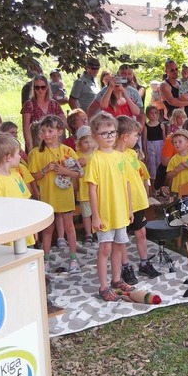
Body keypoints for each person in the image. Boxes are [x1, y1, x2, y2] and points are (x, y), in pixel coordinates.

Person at [85, 112, 134, 301]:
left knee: (119, 247)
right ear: (95, 136)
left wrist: (129, 209)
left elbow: (127, 184)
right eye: (104, 133)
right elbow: (91, 189)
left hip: (121, 211)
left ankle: (116, 280)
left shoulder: (120, 157)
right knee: (105, 249)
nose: (110, 136)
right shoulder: (95, 159)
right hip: (105, 213)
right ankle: (103, 287)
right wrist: (95, 216)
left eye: (112, 132)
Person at [28, 115, 82, 272]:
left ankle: (73, 259)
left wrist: (65, 171)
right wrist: (46, 170)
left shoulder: (67, 151)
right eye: (43, 131)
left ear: (59, 132)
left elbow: (79, 173)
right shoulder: (36, 153)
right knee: (48, 230)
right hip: (48, 197)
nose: (46, 134)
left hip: (64, 196)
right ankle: (45, 260)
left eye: (50, 131)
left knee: (69, 228)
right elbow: (34, 176)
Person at [115, 116, 162, 284]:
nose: (138, 138)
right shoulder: (113, 156)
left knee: (141, 232)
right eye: (136, 135)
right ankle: (125, 266)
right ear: (125, 136)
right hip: (121, 203)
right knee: (122, 237)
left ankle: (144, 262)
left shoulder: (132, 154)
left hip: (138, 201)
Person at [0, 133, 35, 247]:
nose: (20, 156)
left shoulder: (17, 176)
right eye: (18, 153)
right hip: (5, 232)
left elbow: (27, 199)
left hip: (22, 228)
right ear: (9, 157)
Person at [21, 75, 67, 153]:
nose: (40, 90)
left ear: (47, 87)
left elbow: (64, 123)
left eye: (43, 87)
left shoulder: (54, 104)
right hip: (36, 145)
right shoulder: (29, 105)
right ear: (33, 88)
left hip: (53, 144)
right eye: (37, 87)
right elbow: (26, 129)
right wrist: (30, 148)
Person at [75, 125, 97, 247]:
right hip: (84, 190)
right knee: (86, 214)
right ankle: (88, 233)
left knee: (97, 211)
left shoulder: (97, 154)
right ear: (80, 143)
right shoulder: (77, 155)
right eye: (85, 142)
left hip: (97, 189)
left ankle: (98, 231)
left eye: (91, 141)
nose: (89, 144)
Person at [142, 105, 166, 193]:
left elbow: (164, 139)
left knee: (159, 168)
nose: (154, 115)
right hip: (151, 148)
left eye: (156, 113)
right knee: (152, 168)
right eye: (151, 113)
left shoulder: (161, 126)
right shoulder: (146, 127)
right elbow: (144, 140)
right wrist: (145, 152)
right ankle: (152, 189)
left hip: (160, 148)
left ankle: (159, 188)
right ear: (147, 115)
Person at [166, 129, 188, 196]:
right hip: (176, 190)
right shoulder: (173, 159)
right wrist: (178, 169)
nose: (177, 144)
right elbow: (168, 176)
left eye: (180, 142)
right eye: (175, 142)